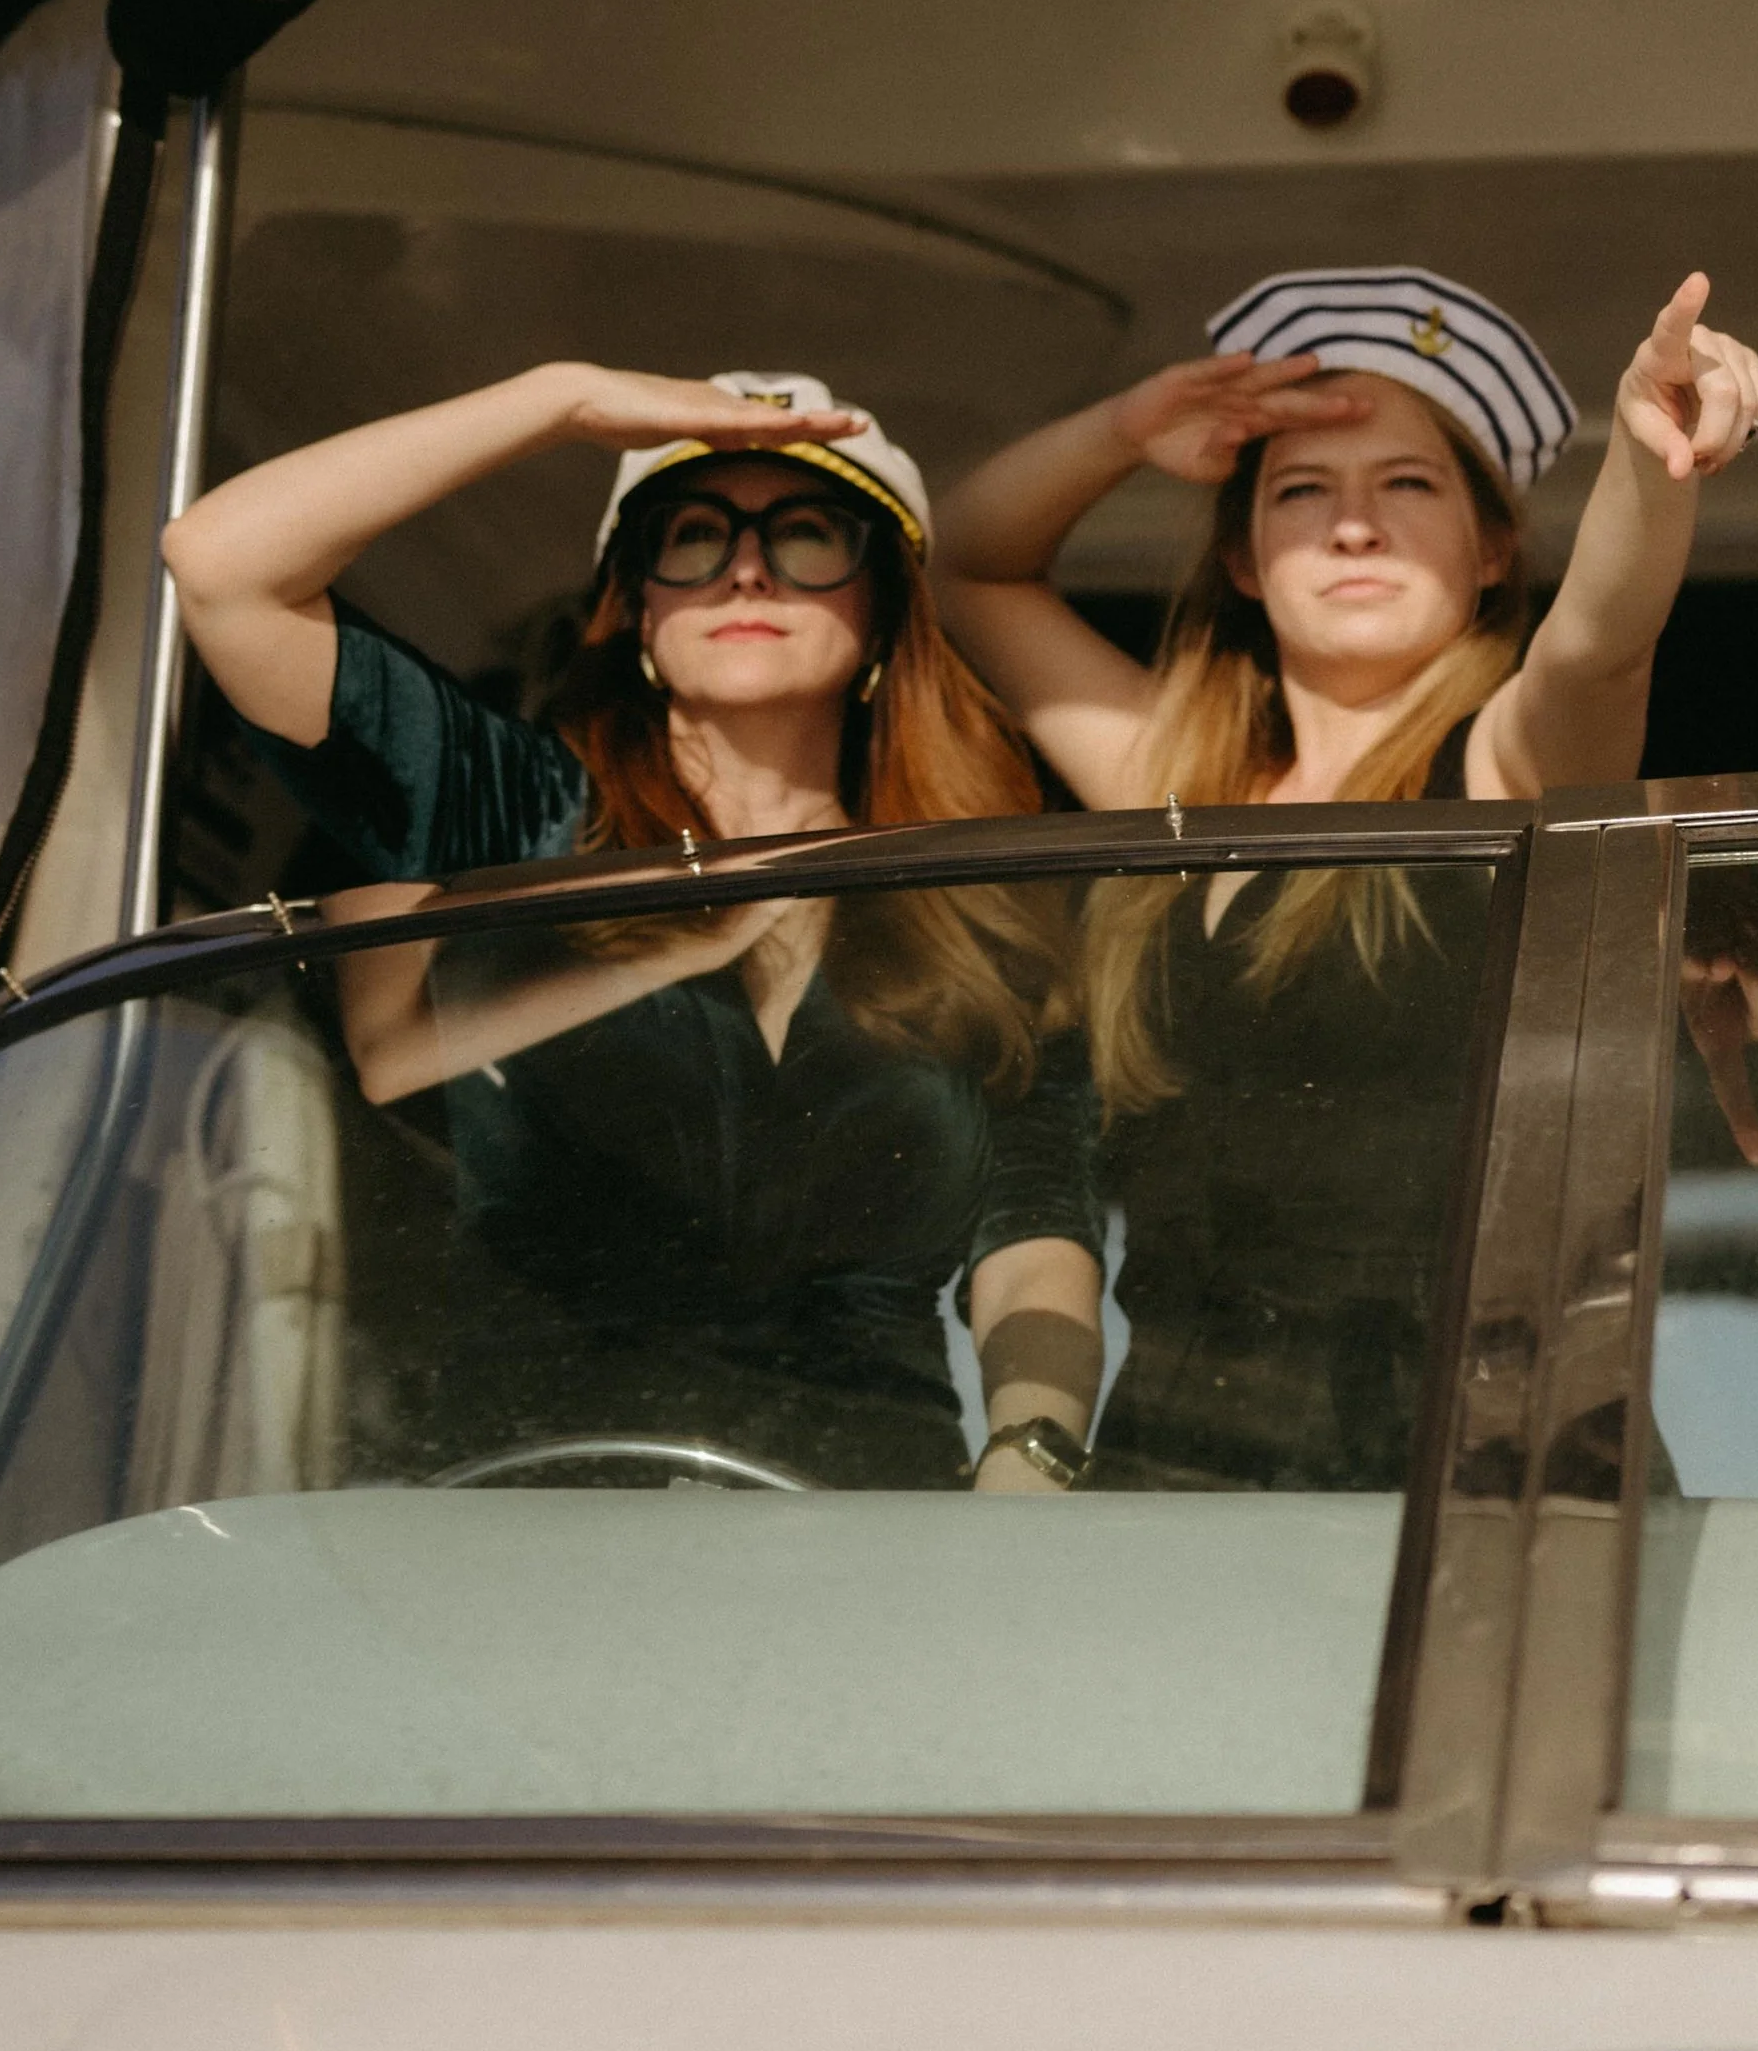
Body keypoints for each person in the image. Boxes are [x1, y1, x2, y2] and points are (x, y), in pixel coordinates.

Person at [930, 265, 1758, 1489]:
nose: (1354, 526)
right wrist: (1127, 428)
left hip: (1495, 1478)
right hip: (1188, 1482)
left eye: (1407, 484)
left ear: (1493, 545)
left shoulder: (1505, 764)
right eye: (1301, 491)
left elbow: (1602, 644)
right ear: (1239, 555)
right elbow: (966, 567)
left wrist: (1648, 441)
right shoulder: (1171, 786)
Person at [164, 364, 1104, 1492]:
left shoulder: (975, 902)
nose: (746, 568)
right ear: (637, 609)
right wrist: (560, 399)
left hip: (863, 1542)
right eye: (691, 536)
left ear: (884, 611)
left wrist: (1031, 1445)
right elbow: (222, 568)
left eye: (808, 536)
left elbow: (1035, 1234)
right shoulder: (516, 817)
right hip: (526, 1541)